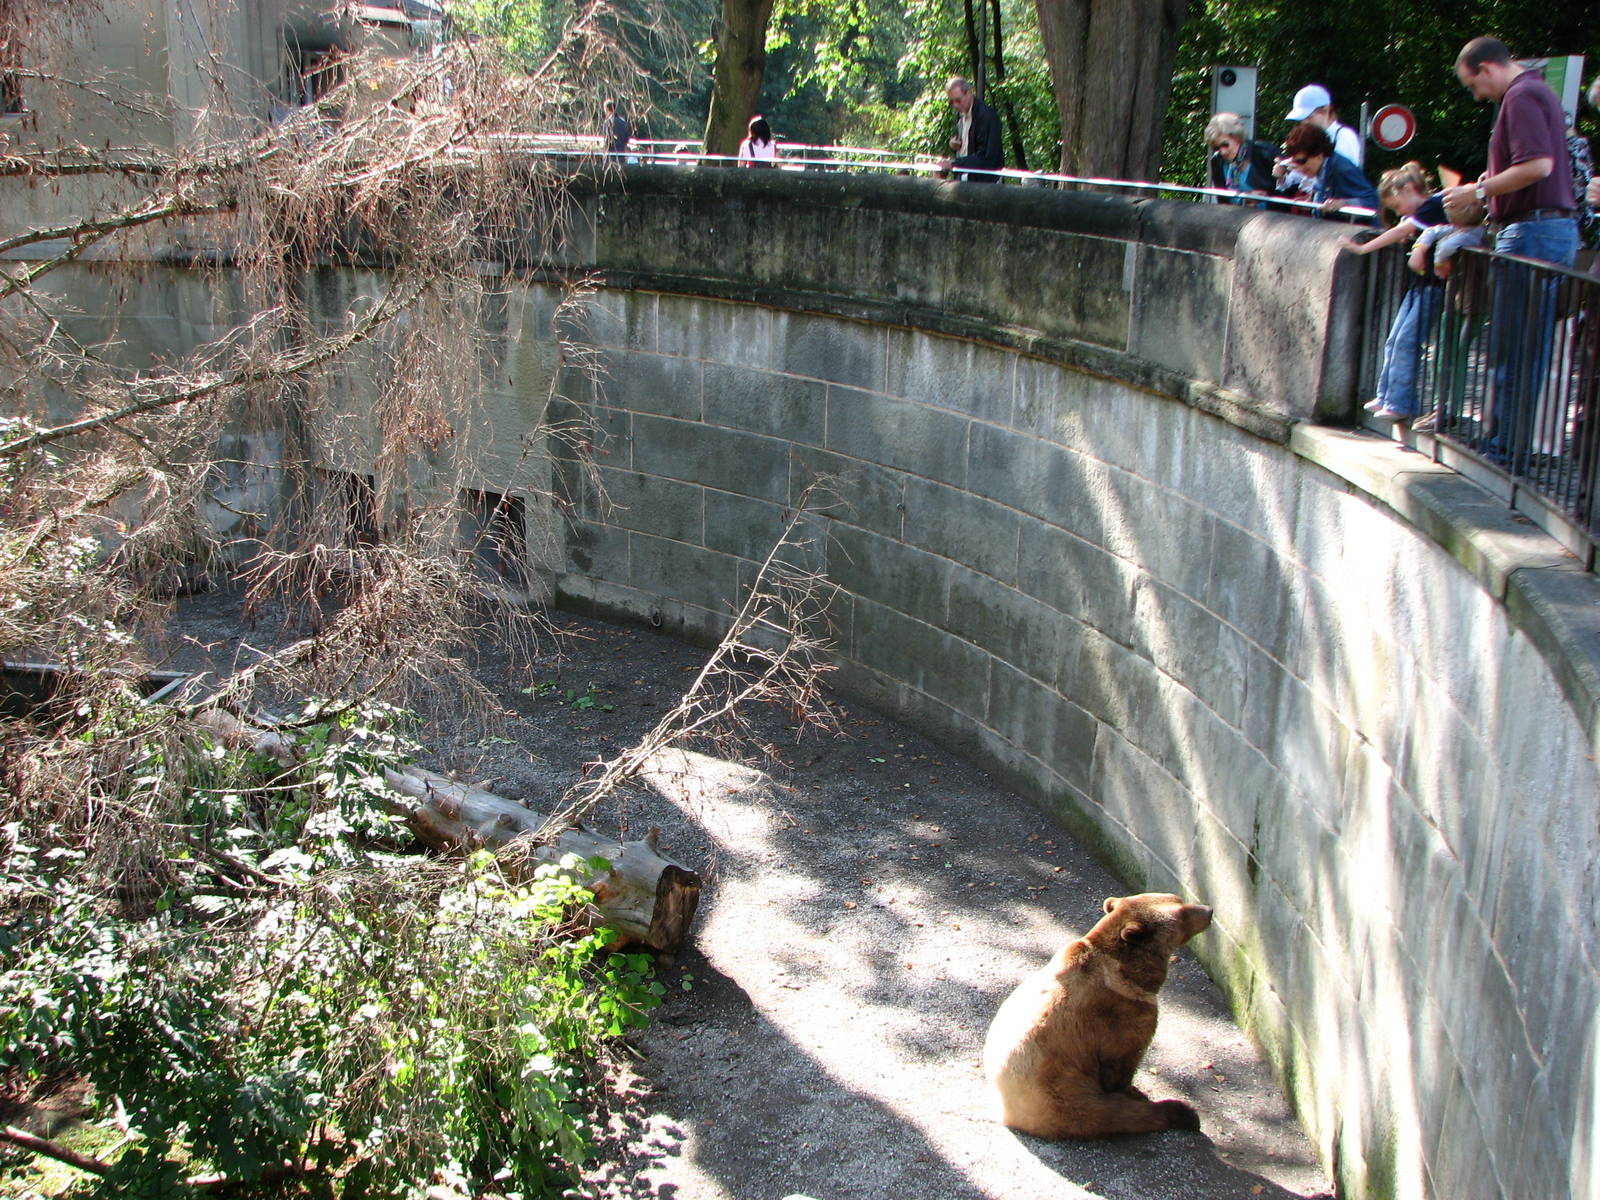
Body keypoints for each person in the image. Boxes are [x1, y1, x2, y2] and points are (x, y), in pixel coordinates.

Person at [1440, 37, 1577, 465]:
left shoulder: (1521, 96)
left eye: (1474, 85)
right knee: (1526, 347)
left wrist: (1478, 191)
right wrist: (1495, 178)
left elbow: (1538, 166)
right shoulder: (1538, 91)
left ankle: (1502, 449)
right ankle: (1506, 446)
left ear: (1487, 68)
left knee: (1513, 347)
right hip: (1547, 229)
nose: (1478, 95)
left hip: (1532, 232)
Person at [1280, 122, 1378, 222]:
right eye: (1294, 162)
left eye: (1302, 161)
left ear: (1319, 155)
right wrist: (1312, 202)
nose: (1299, 167)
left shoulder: (1341, 169)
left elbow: (1373, 201)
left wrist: (1344, 203)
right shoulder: (1322, 167)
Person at [937, 76, 1002, 182]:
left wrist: (953, 164)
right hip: (965, 178)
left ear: (969, 93)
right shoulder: (962, 116)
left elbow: (986, 156)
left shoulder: (986, 116)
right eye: (952, 102)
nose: (955, 105)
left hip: (983, 183)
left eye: (958, 100)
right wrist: (954, 145)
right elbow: (967, 148)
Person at [1287, 84, 1363, 167]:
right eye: (1301, 118)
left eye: (1309, 116)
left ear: (1326, 110)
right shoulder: (1314, 138)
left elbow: (1345, 172)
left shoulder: (1344, 136)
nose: (1305, 122)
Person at [1205, 111, 1277, 198]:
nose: (1223, 152)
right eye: (1216, 148)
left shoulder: (1263, 152)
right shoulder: (1217, 160)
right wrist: (1245, 199)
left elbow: (1283, 190)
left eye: (1225, 144)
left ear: (1237, 137)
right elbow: (1222, 197)